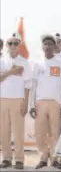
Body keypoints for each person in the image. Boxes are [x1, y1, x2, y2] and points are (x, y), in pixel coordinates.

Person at [29, 33, 61, 169]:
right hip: (40, 102)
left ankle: (54, 158)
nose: (47, 46)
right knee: (40, 133)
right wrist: (32, 105)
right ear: (42, 46)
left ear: (54, 46)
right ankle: (44, 156)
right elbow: (33, 86)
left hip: (56, 102)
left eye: (50, 44)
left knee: (55, 132)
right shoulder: (37, 63)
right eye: (45, 44)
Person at [0, 33, 32, 169]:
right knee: (3, 131)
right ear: (7, 46)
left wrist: (25, 102)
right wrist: (11, 72)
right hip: (3, 99)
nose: (13, 46)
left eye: (15, 43)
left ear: (19, 46)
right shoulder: (1, 61)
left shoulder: (25, 62)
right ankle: (6, 158)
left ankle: (19, 159)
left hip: (18, 99)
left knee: (18, 131)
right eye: (10, 43)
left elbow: (28, 84)